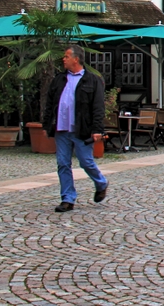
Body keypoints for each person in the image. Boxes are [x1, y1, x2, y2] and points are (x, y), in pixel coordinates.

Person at [42, 44, 108, 213]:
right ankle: (67, 198)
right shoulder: (59, 79)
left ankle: (101, 182)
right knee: (63, 163)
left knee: (86, 161)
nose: (63, 59)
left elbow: (98, 107)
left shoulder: (92, 80)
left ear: (76, 59)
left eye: (66, 56)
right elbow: (50, 103)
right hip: (61, 129)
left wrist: (97, 130)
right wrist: (46, 124)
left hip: (82, 129)